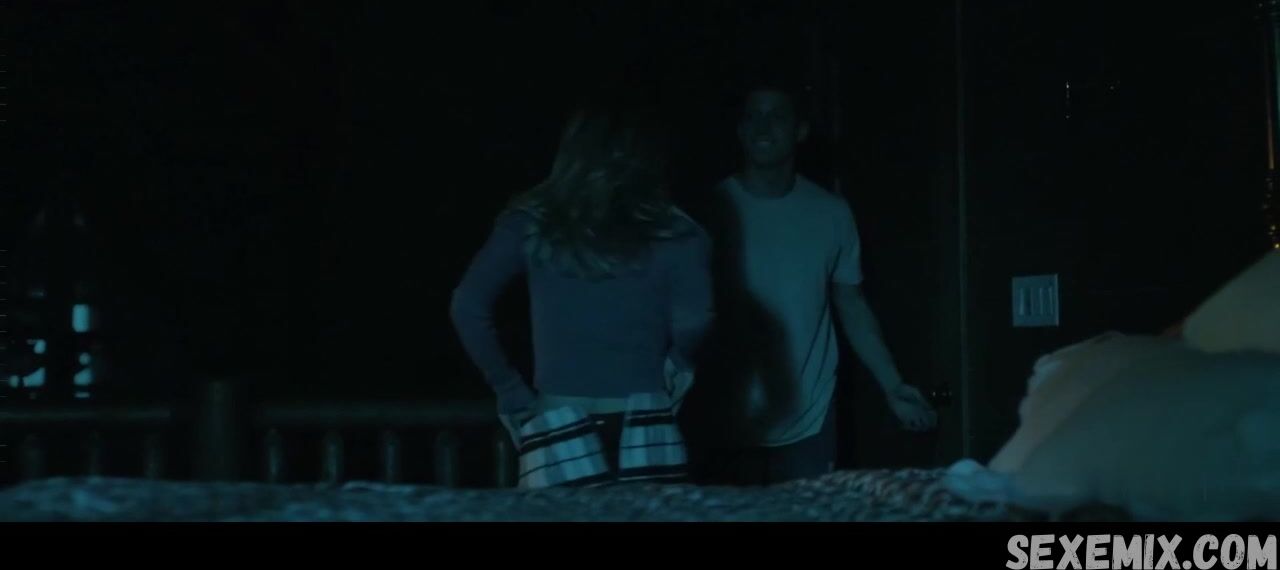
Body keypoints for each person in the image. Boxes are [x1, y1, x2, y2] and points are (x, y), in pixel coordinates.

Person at [681, 80, 937, 486]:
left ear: (800, 130)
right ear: (740, 130)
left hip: (809, 421)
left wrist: (893, 385)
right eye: (753, 116)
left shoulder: (831, 214)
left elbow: (851, 304)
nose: (763, 126)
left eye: (776, 116)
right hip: (724, 420)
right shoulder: (707, 213)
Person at [450, 102, 714, 489]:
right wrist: (681, 360)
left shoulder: (529, 222)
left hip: (557, 419)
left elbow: (468, 306)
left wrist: (508, 388)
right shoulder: (678, 231)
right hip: (644, 421)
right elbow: (696, 317)